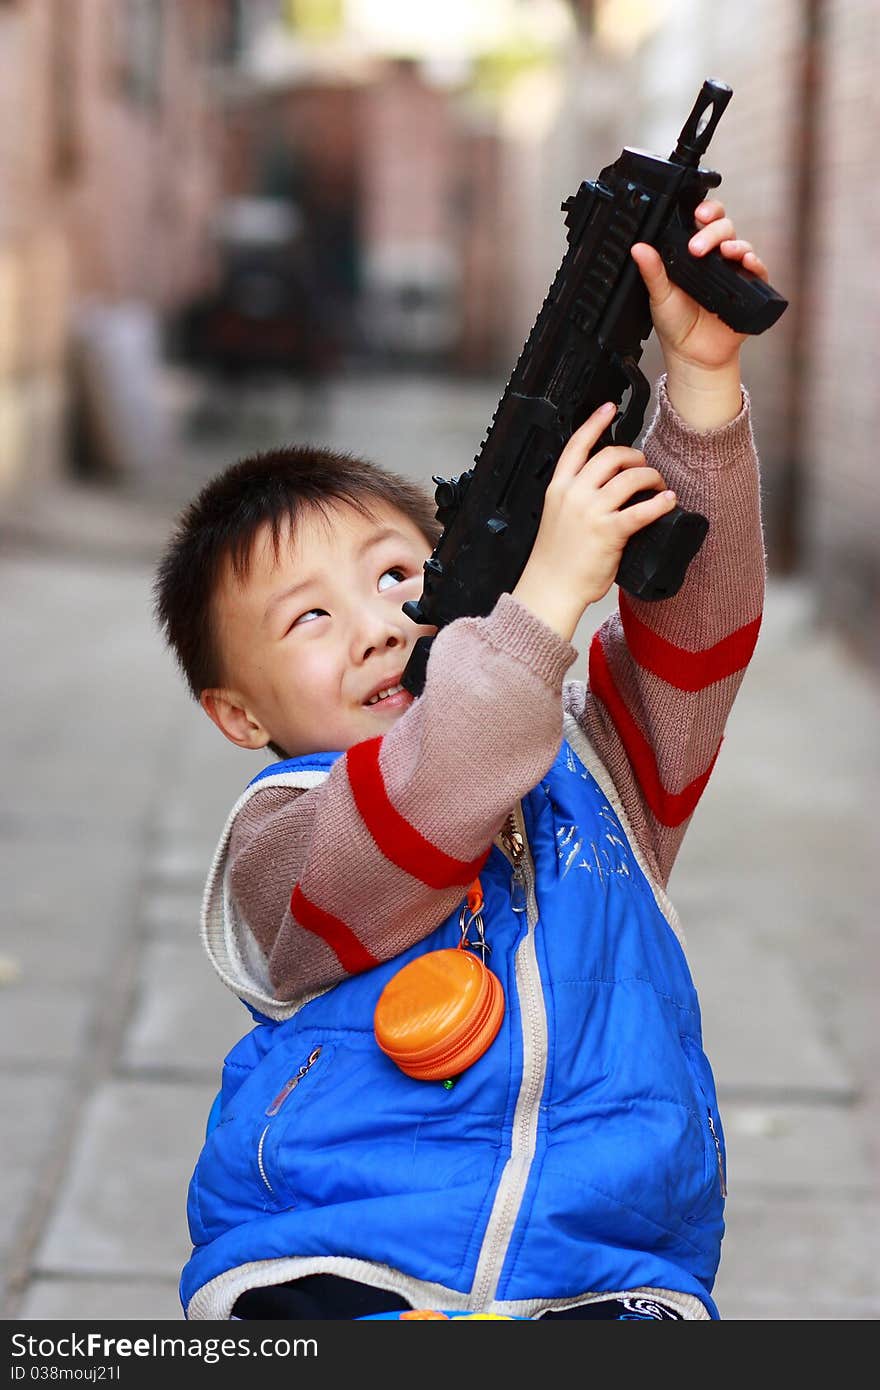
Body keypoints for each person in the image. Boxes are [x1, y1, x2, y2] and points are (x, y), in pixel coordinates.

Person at [154, 200, 769, 1321]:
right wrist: (542, 600)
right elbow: (422, 809)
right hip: (343, 1258)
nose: (379, 627)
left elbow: (697, 640)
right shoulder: (282, 840)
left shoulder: (597, 774)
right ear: (240, 716)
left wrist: (704, 388)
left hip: (607, 1268)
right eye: (309, 619)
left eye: (396, 577)